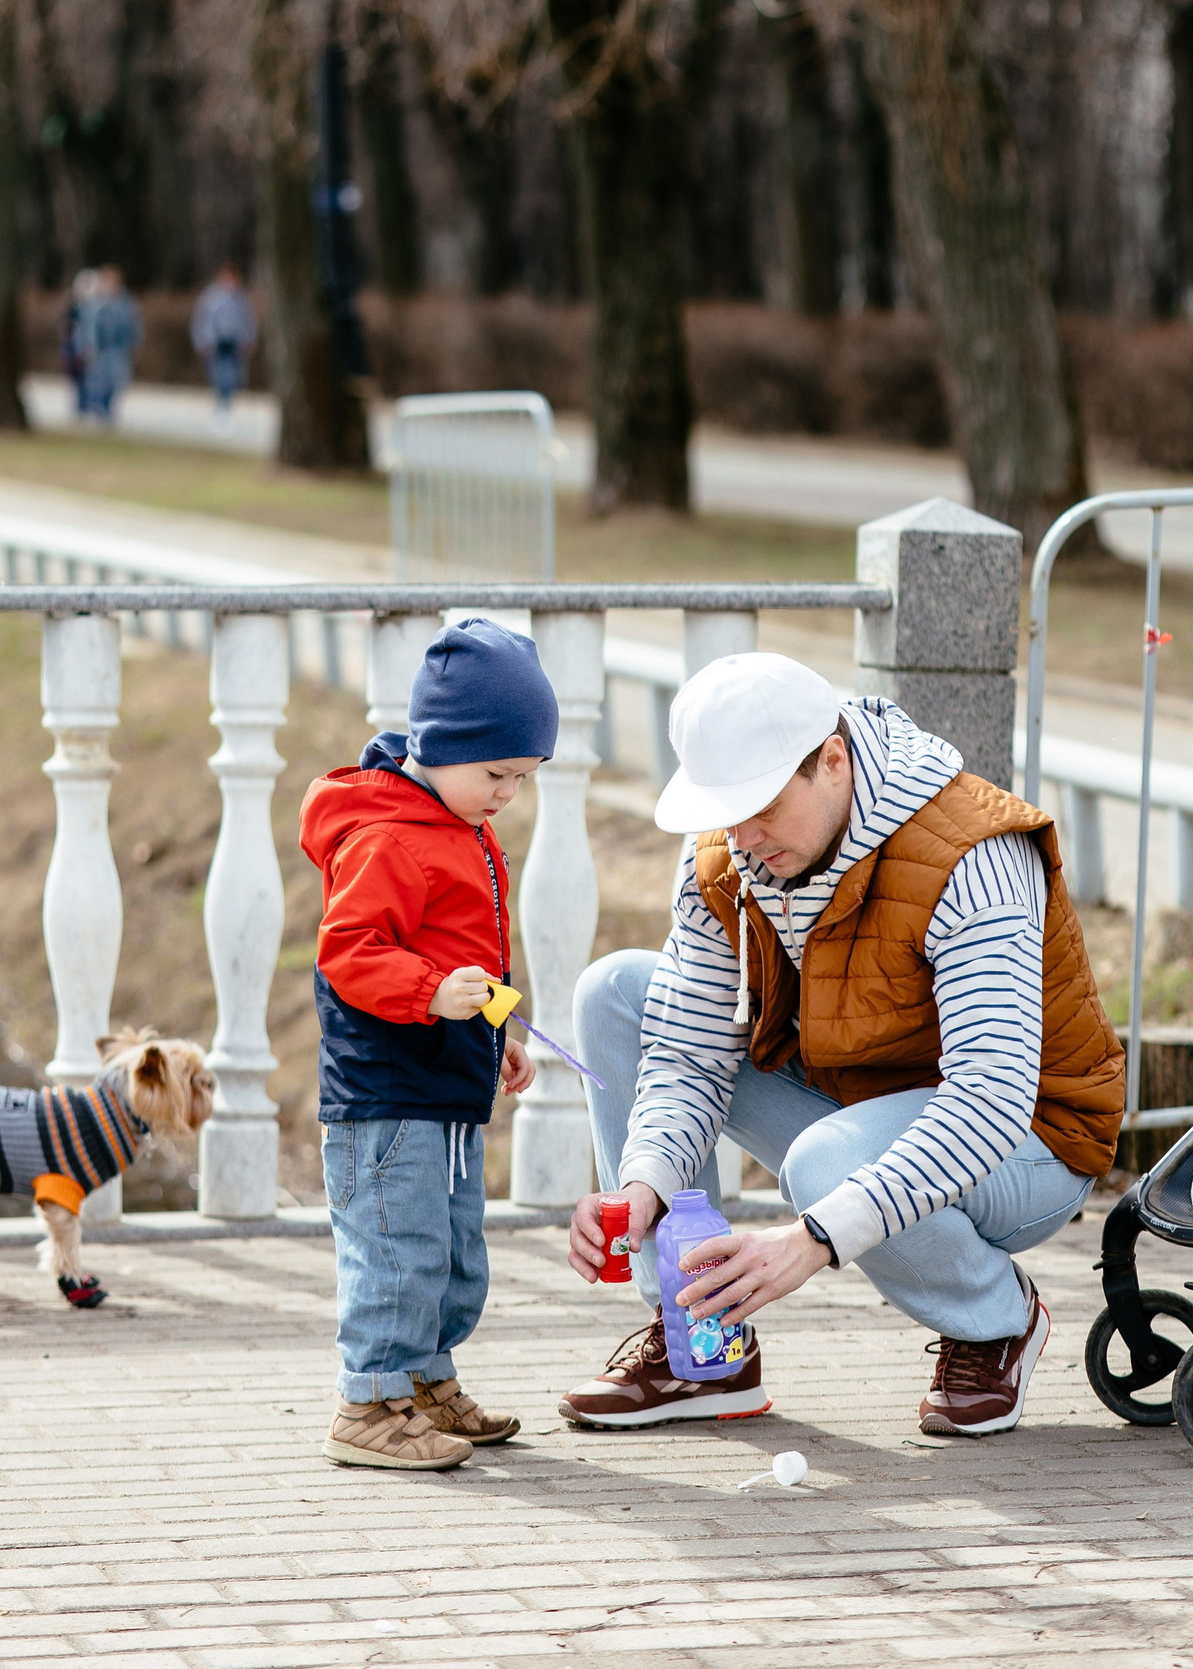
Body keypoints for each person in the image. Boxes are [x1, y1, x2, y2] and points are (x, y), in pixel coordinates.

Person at [559, 655, 1126, 1437]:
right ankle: (703, 1342)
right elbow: (688, 1057)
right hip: (855, 1103)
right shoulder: (729, 855)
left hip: (1027, 1138)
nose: (744, 839)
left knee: (826, 1165)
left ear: (832, 761)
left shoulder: (974, 852)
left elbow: (989, 1101)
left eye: (759, 808)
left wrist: (817, 1238)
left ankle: (995, 1320)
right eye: (726, 812)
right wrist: (642, 1188)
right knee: (616, 993)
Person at [300, 618, 556, 1471]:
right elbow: (350, 953)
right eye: (497, 773)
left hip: (446, 1083)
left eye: (521, 778)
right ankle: (368, 1401)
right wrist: (429, 993)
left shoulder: (458, 823)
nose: (507, 794)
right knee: (396, 1248)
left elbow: (465, 958)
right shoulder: (387, 835)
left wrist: (498, 1029)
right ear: (442, 744)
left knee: (451, 1251)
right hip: (386, 1093)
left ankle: (424, 1381)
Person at [190, 264, 258, 419]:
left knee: (234, 376)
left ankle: (227, 403)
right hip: (215, 342)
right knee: (218, 374)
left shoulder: (240, 297)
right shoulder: (210, 296)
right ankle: (221, 404)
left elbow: (248, 320)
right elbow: (200, 319)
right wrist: (199, 340)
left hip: (235, 341)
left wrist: (250, 339)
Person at [79, 265, 140, 424]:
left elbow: (134, 324)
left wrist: (134, 342)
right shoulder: (95, 301)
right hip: (100, 348)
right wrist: (88, 346)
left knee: (117, 380)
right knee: (97, 381)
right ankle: (97, 409)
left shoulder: (126, 302)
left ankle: (108, 410)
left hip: (118, 349)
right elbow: (88, 326)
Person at [60, 269, 98, 416]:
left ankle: (88, 406)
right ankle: (81, 407)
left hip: (87, 347)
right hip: (74, 348)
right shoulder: (73, 306)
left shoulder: (94, 306)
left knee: (91, 379)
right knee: (78, 379)